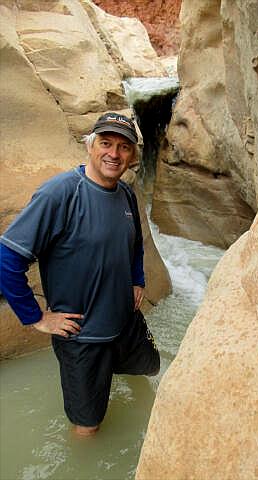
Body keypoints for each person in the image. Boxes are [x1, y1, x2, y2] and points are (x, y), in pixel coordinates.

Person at [0, 112, 160, 436]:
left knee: (152, 368)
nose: (113, 154)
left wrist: (136, 280)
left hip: (126, 322)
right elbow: (6, 259)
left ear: (132, 155)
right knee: (88, 427)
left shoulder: (126, 193)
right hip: (83, 337)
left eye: (123, 147)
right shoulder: (59, 194)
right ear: (90, 145)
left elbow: (134, 243)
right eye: (106, 143)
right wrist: (36, 318)